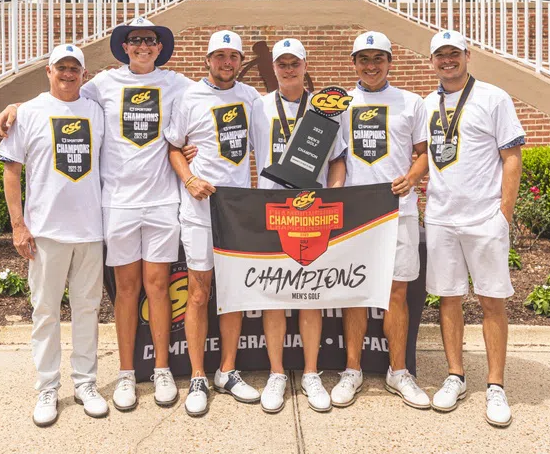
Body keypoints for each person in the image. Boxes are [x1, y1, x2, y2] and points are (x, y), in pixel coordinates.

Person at [0, 18, 193, 411]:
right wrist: (14, 106)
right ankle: (80, 382)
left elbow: (206, 105)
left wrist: (194, 151)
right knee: (94, 299)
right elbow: (53, 101)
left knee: (134, 293)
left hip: (136, 209)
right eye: (134, 40)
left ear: (158, 47)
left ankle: (151, 371)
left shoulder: (174, 84)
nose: (142, 46)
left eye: (149, 40)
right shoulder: (101, 87)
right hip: (110, 208)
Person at [0, 44, 107, 427]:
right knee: (45, 312)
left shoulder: (96, 109)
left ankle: (85, 384)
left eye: (74, 67)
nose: (68, 73)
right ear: (48, 70)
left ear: (84, 74)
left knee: (87, 310)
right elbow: (11, 170)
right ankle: (47, 387)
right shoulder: (27, 112)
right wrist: (18, 226)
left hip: (91, 230)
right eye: (61, 67)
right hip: (45, 232)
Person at [423, 30, 524, 428]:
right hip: (442, 216)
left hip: (484, 218)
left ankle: (495, 385)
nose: (448, 60)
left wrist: (504, 213)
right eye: (440, 55)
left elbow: (511, 157)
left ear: (468, 55)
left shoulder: (494, 97)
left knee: (491, 300)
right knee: (449, 298)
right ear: (432, 61)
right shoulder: (427, 103)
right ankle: (455, 376)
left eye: (454, 54)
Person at [330, 31, 430, 409]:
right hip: (356, 210)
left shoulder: (412, 102)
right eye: (363, 59)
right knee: (355, 290)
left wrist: (414, 175)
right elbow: (334, 156)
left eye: (378, 59)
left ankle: (398, 371)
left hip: (398, 209)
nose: (371, 66)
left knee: (397, 292)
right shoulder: (339, 104)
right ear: (353, 63)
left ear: (391, 62)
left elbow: (423, 153)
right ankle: (352, 370)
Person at [164, 30, 262, 417]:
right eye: (219, 56)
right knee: (199, 293)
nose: (226, 63)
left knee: (234, 294)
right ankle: (198, 377)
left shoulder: (250, 97)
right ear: (207, 60)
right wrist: (189, 179)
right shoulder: (189, 97)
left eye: (233, 56)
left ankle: (227, 370)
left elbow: (264, 145)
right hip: (199, 210)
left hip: (237, 211)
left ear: (240, 61)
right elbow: (174, 148)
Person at [251, 38, 346, 413]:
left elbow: (338, 160)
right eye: (282, 64)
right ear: (273, 69)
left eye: (295, 64)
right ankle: (276, 373)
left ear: (306, 65)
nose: (288, 70)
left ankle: (310, 372)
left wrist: (335, 192)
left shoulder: (324, 110)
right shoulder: (257, 107)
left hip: (313, 211)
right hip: (272, 210)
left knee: (310, 297)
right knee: (274, 295)